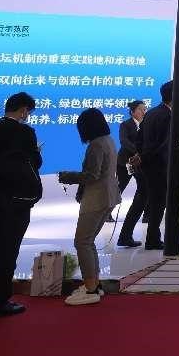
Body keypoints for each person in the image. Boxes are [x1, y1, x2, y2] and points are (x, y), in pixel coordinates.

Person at [0, 92, 41, 319]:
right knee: (8, 250)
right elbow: (35, 163)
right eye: (28, 112)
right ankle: (1, 301)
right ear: (23, 110)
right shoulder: (25, 133)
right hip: (17, 200)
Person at [58, 109, 120, 306]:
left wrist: (68, 176)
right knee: (88, 241)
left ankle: (91, 288)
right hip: (108, 196)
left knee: (82, 242)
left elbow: (92, 175)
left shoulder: (96, 145)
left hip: (96, 198)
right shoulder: (108, 140)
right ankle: (94, 284)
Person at [135, 81, 173, 251]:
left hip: (148, 164)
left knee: (154, 202)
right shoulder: (167, 116)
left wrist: (141, 156)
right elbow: (164, 145)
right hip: (159, 165)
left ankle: (153, 238)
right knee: (158, 204)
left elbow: (139, 138)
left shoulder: (151, 113)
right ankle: (152, 239)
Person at [116, 100, 146, 248]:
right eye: (141, 109)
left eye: (145, 109)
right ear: (133, 111)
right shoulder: (125, 124)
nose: (143, 112)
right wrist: (137, 151)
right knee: (119, 188)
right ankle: (107, 211)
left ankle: (144, 216)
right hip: (125, 162)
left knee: (143, 189)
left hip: (139, 164)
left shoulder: (145, 124)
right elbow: (124, 141)